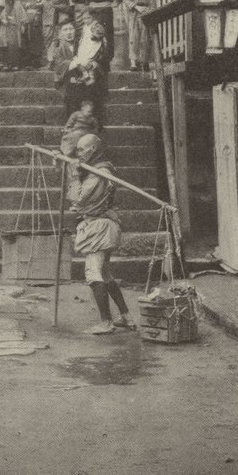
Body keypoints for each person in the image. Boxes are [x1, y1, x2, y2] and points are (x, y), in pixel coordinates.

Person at [67, 132, 136, 334]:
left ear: (93, 150)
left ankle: (105, 322)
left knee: (93, 273)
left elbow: (78, 198)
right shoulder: (95, 170)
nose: (78, 153)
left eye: (82, 149)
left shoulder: (99, 172)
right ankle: (127, 317)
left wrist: (73, 175)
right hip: (101, 224)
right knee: (105, 274)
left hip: (100, 227)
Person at [66, 18, 113, 125]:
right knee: (75, 92)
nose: (93, 39)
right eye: (91, 36)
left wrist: (94, 64)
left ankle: (92, 122)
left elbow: (103, 63)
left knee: (92, 93)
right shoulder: (80, 44)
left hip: (93, 80)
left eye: (96, 37)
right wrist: (79, 69)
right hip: (77, 77)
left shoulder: (101, 47)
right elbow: (72, 69)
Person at [123, 0, 149, 70]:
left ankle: (144, 61)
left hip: (146, 12)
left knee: (145, 38)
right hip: (134, 13)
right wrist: (136, 7)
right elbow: (126, 0)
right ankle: (133, 62)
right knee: (134, 37)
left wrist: (147, 7)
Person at [18, 0, 45, 68]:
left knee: (36, 40)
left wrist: (36, 3)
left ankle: (35, 62)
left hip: (36, 21)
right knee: (25, 40)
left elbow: (41, 5)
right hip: (26, 21)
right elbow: (21, 8)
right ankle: (26, 62)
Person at [0, 0, 23, 72]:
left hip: (14, 28)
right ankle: (5, 63)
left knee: (13, 45)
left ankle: (14, 63)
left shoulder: (18, 4)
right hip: (3, 28)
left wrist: (23, 24)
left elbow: (23, 16)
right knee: (3, 45)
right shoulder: (0, 3)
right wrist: (1, 19)